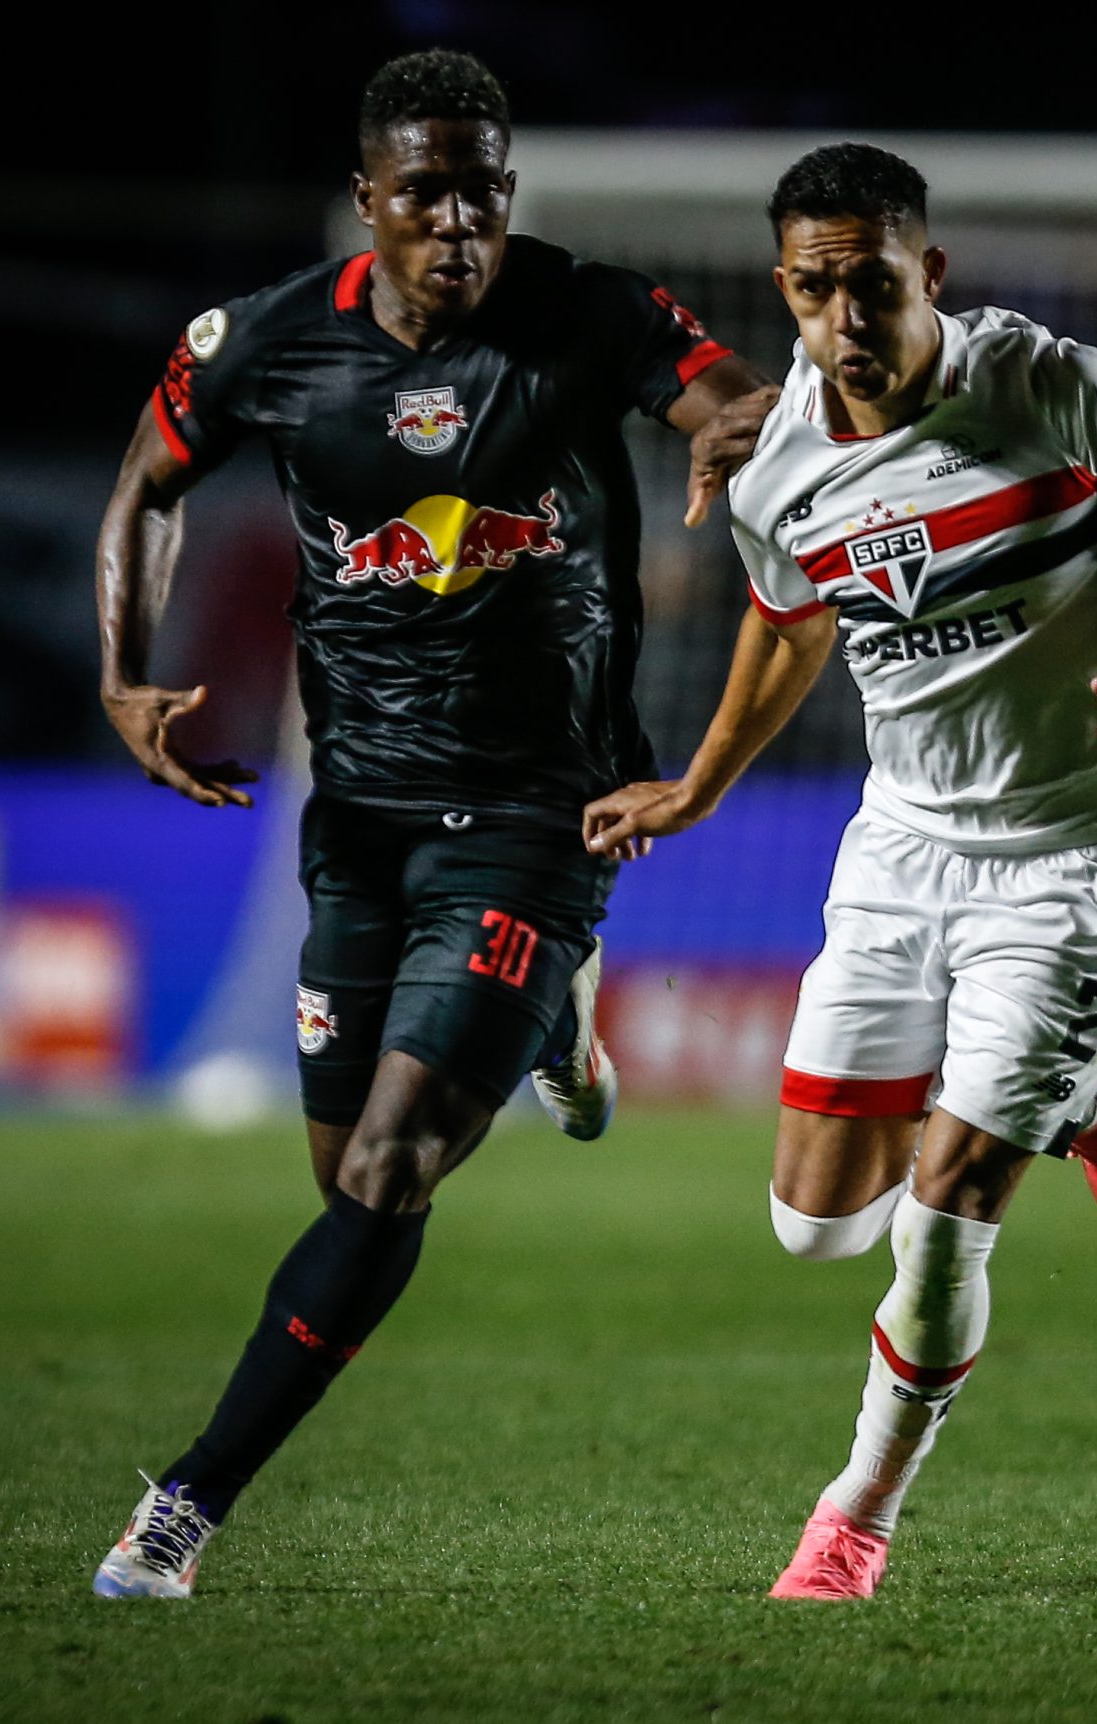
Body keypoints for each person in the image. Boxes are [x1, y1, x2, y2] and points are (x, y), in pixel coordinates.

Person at [87, 48, 778, 1598]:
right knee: (343, 1174)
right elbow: (147, 484)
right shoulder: (265, 344)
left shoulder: (588, 310)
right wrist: (125, 675)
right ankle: (560, 1034)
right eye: (427, 194)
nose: (460, 222)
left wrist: (734, 434)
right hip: (363, 819)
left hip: (544, 813)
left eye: (483, 190)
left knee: (395, 1166)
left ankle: (185, 1506)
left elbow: (724, 391)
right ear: (369, 204)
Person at [581, 144, 1097, 1600]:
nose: (849, 317)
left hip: (1075, 850)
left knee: (942, 1208)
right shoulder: (775, 457)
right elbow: (791, 628)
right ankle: (1094, 1087)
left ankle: (855, 1518)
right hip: (900, 849)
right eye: (818, 289)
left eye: (876, 285)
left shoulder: (1048, 387)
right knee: (811, 1225)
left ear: (933, 276)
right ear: (785, 289)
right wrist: (701, 785)